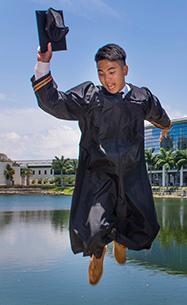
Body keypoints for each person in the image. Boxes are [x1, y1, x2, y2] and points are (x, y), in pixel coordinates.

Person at [32, 43, 172, 285]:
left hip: (131, 173)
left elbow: (159, 113)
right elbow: (54, 101)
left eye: (112, 71)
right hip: (98, 174)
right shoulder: (90, 97)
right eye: (101, 73)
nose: (107, 79)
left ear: (125, 69)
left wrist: (166, 127)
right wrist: (43, 62)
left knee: (142, 225)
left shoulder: (141, 98)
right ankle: (98, 254)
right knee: (93, 228)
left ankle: (121, 240)